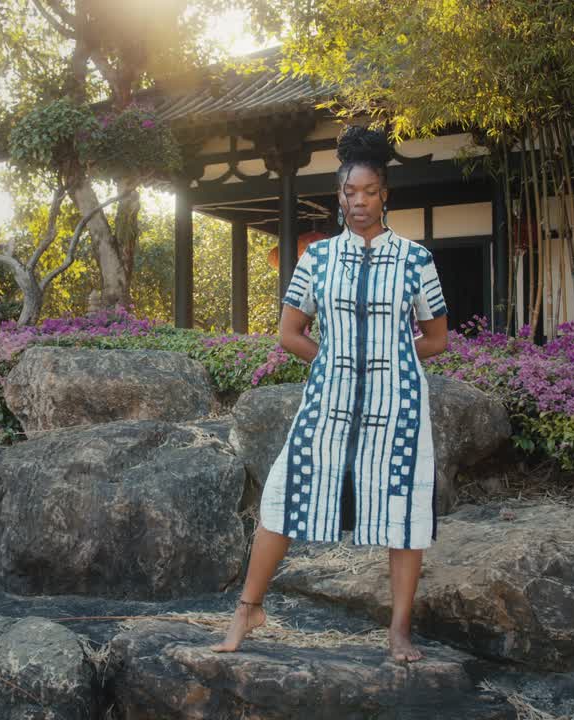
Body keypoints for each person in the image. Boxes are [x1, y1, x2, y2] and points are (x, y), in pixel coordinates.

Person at [211, 125, 450, 662]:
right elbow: (289, 333)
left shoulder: (416, 260)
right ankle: (248, 609)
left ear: (385, 194)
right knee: (283, 491)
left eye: (369, 191)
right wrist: (336, 359)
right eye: (350, 192)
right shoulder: (316, 259)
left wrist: (391, 360)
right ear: (339, 197)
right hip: (328, 398)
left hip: (399, 404)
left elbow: (436, 339)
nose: (359, 201)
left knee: (404, 506)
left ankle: (399, 630)